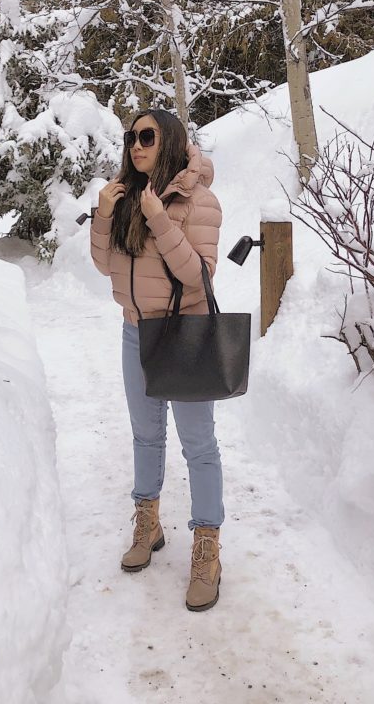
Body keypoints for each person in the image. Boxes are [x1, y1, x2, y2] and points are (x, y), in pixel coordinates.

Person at [90, 108, 224, 612]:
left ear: (168, 141)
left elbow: (198, 277)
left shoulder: (200, 201)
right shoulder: (126, 197)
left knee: (199, 444)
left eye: (145, 136)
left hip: (184, 334)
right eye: (130, 137)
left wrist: (160, 219)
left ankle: (207, 546)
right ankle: (148, 523)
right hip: (134, 333)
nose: (135, 145)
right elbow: (105, 265)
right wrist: (107, 213)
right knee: (145, 434)